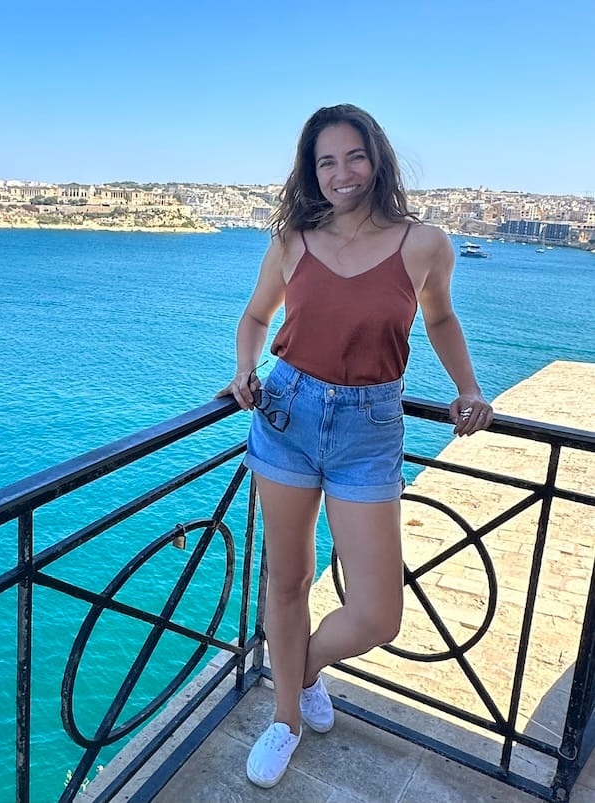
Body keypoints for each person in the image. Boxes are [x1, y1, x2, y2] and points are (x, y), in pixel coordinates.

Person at [216, 103, 494, 789]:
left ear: (378, 158)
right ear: (312, 172)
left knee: (379, 611)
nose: (342, 173)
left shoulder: (424, 243)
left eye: (354, 157)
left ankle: (300, 668)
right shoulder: (292, 238)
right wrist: (245, 367)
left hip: (370, 426)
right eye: (326, 162)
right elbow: (256, 316)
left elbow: (442, 317)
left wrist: (469, 387)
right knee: (287, 578)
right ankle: (285, 717)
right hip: (286, 412)